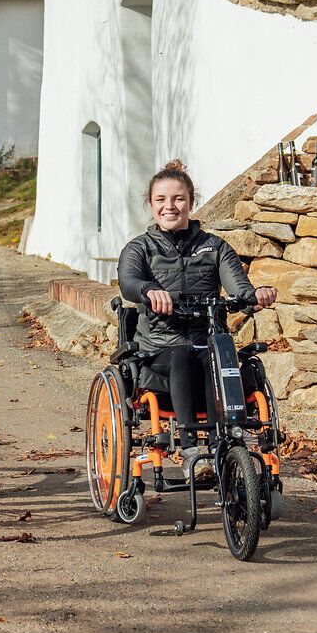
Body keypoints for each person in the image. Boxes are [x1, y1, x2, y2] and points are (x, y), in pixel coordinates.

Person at [117, 161, 277, 448]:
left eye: (179, 198)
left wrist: (255, 297)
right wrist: (149, 289)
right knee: (182, 355)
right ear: (151, 205)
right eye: (161, 199)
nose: (170, 206)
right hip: (160, 347)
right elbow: (128, 282)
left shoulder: (215, 248)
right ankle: (190, 448)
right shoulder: (140, 248)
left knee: (214, 357)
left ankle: (221, 447)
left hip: (207, 340)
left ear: (191, 202)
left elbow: (240, 289)